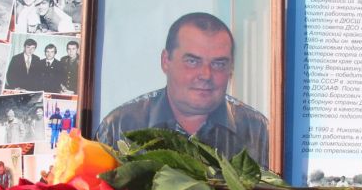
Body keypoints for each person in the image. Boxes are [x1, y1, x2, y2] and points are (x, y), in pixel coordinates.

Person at [96, 12, 269, 168]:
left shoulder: (258, 132)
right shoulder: (119, 127)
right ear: (165, 61)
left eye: (218, 64)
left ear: (231, 69)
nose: (206, 74)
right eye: (192, 61)